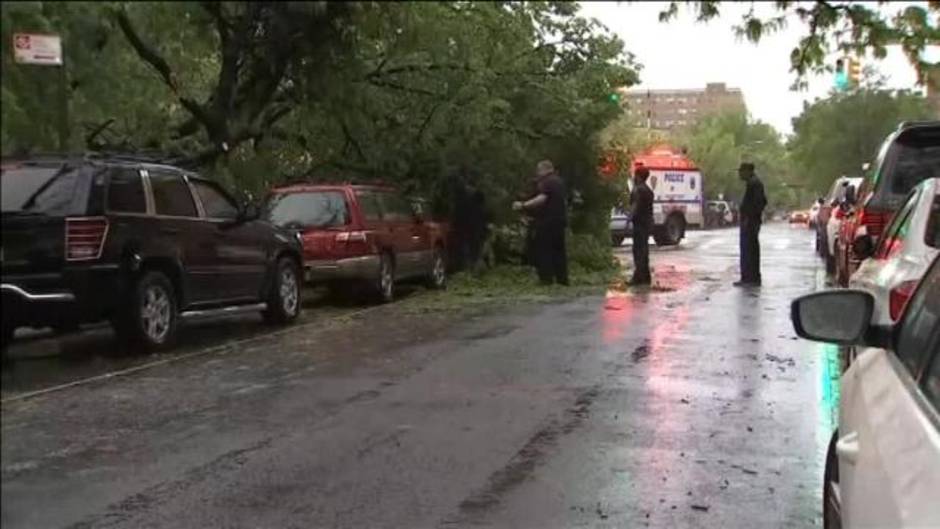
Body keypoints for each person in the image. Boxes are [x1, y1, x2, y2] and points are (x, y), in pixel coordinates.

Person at [513, 160, 568, 285]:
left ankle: (546, 279)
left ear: (545, 169)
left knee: (544, 250)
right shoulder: (559, 181)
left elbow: (542, 199)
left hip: (546, 222)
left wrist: (523, 205)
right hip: (560, 221)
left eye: (538, 170)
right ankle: (562, 280)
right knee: (559, 251)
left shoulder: (547, 182)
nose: (537, 173)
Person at [735, 162, 767, 287]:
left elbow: (760, 202)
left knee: (749, 250)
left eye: (741, 171)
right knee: (749, 249)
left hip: (750, 222)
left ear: (748, 171)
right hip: (749, 221)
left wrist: (750, 217)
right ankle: (749, 277)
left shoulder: (755, 184)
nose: (739, 174)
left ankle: (750, 278)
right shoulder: (753, 183)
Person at [629, 166, 654, 285]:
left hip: (639, 223)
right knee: (644, 249)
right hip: (647, 223)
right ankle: (645, 277)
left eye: (635, 175)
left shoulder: (638, 190)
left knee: (638, 250)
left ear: (638, 177)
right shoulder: (649, 190)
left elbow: (635, 206)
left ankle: (638, 277)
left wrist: (629, 219)